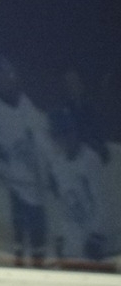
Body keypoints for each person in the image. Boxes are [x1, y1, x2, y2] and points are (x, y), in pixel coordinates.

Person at [0, 53, 50, 267]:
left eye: (9, 73)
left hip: (33, 185)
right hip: (12, 182)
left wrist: (50, 174)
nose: (8, 78)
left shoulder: (27, 109)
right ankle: (19, 264)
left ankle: (38, 266)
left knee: (37, 235)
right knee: (19, 233)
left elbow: (44, 146)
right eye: (0, 73)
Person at [45, 107, 114, 272]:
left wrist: (97, 236)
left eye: (69, 132)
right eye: (60, 134)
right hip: (71, 242)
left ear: (76, 132)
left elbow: (102, 201)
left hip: (94, 240)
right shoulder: (56, 164)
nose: (66, 138)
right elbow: (60, 204)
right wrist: (60, 236)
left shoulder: (90, 160)